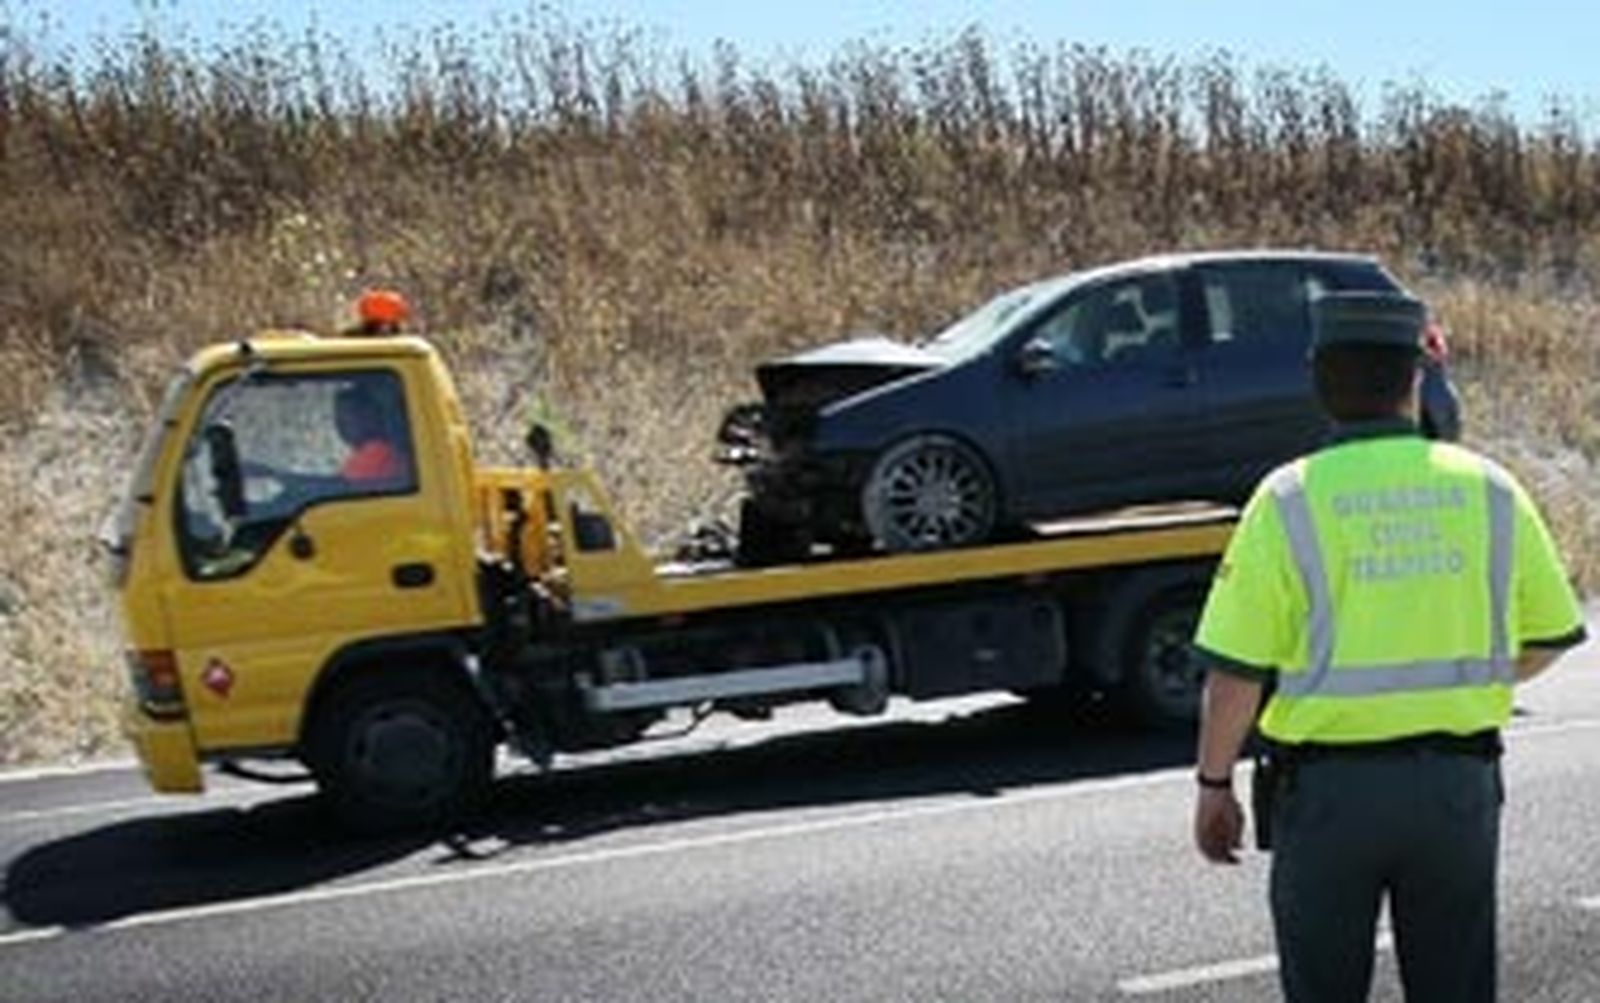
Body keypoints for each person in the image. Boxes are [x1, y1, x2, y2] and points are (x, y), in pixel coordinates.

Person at [1190, 291, 1585, 1003]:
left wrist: (1214, 785)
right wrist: (1472, 679)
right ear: (1416, 377)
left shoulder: (1284, 501)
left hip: (1327, 798)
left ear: (1319, 379)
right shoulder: (1491, 489)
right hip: (1458, 790)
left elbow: (1235, 675)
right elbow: (1552, 634)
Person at [335, 383, 409, 486]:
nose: (343, 422)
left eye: (352, 413)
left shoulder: (377, 451)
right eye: (340, 417)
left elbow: (342, 490)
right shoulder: (366, 452)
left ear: (373, 415)